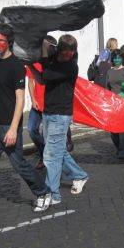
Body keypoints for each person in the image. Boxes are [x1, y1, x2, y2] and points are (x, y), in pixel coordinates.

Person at [0, 24, 51, 226]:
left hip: (7, 127)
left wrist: (14, 128)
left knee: (19, 164)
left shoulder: (16, 65)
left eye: (0, 41)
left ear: (8, 42)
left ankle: (43, 192)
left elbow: (20, 99)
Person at [28, 34, 88, 205]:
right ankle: (79, 175)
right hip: (49, 113)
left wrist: (45, 53)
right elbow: (40, 79)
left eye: (71, 53)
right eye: (65, 53)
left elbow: (46, 75)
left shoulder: (70, 67)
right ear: (60, 50)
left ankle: (52, 194)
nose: (68, 56)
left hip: (60, 115)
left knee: (50, 156)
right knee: (57, 150)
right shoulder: (54, 60)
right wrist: (30, 65)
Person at [26, 36, 73, 170]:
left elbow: (46, 76)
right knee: (31, 130)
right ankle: (44, 153)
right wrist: (33, 99)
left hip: (54, 105)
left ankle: (60, 164)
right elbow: (32, 82)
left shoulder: (56, 63)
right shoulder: (35, 61)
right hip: (38, 103)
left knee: (57, 139)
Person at [106, 49, 124, 159]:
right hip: (112, 102)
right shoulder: (109, 71)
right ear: (112, 59)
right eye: (115, 58)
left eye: (119, 57)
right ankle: (119, 148)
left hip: (123, 102)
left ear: (122, 58)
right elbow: (107, 88)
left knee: (122, 128)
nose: (117, 59)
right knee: (112, 129)